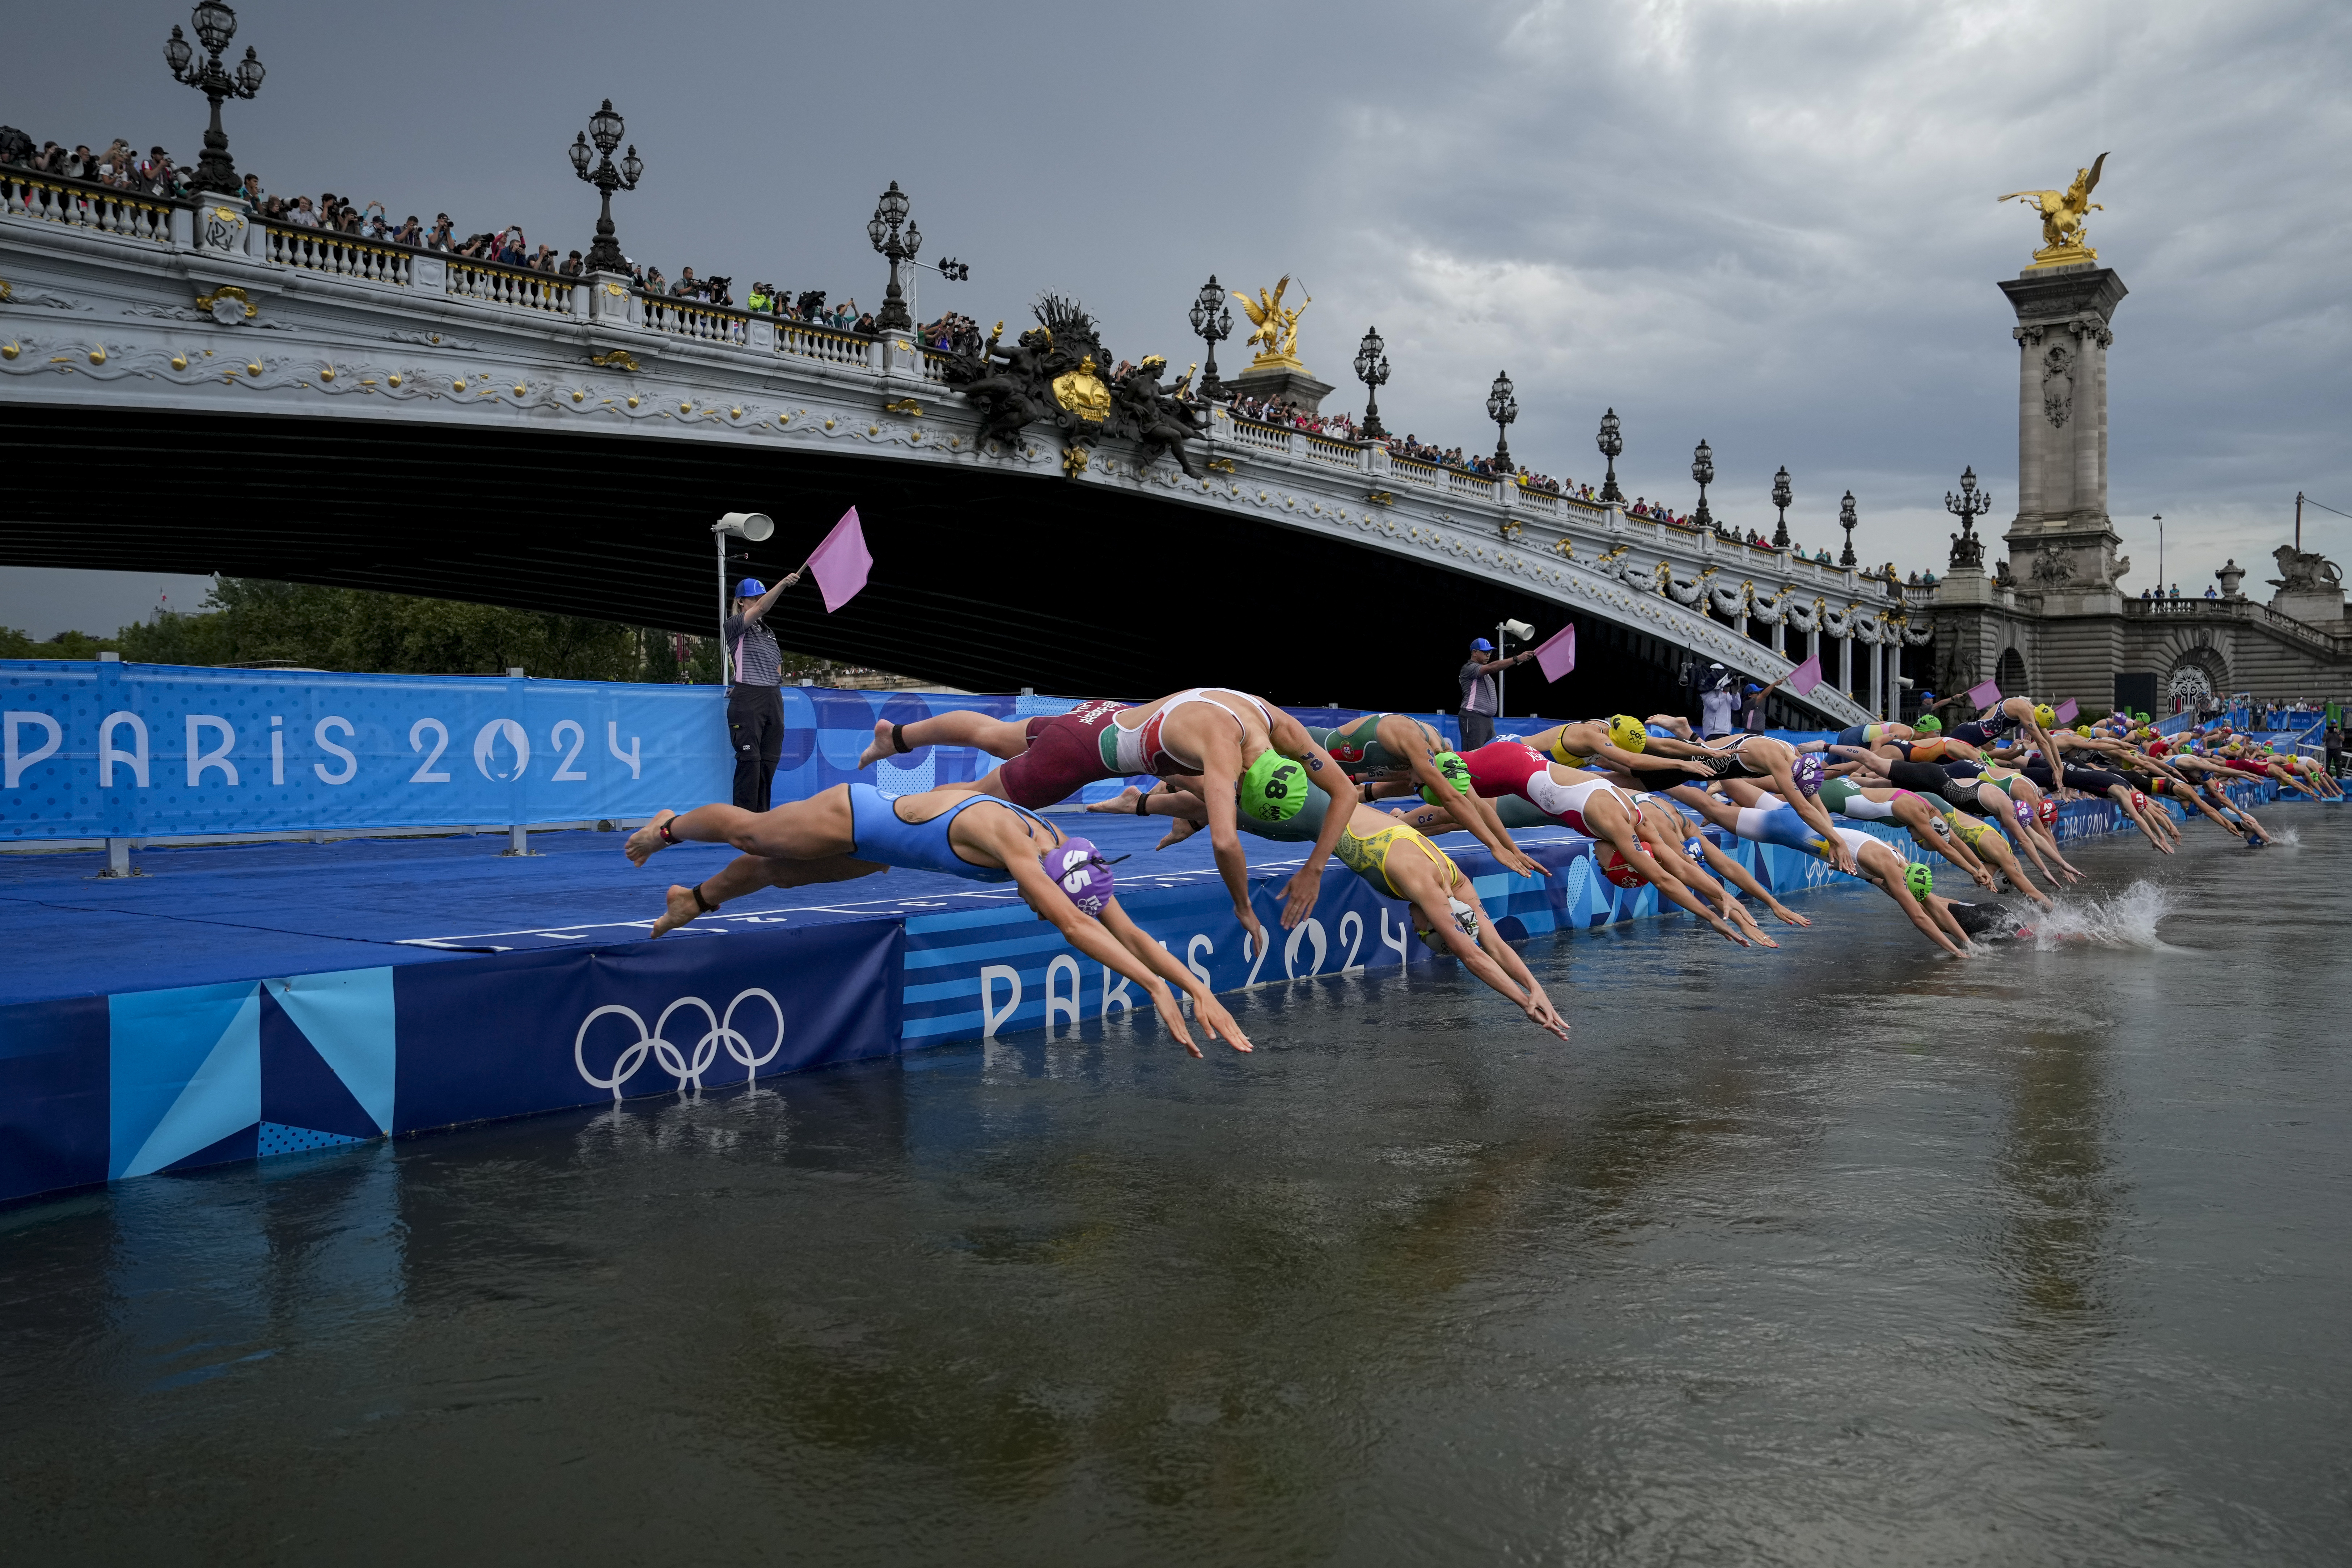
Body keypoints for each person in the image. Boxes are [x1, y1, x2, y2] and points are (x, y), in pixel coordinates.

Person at [623, 786, 1250, 1058]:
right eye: (1042, 899)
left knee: (779, 874)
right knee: (757, 834)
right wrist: (1153, 987)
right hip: (857, 815)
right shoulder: (1019, 845)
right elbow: (1076, 928)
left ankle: (695, 900)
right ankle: (669, 827)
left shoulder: (1069, 851)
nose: (1036, 906)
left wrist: (1196, 987)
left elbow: (1128, 931)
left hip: (885, 850)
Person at [856, 689, 1358, 955]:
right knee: (974, 801)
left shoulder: (1275, 722)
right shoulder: (1225, 757)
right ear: (1247, 776)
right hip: (1078, 758)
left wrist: (1315, 867)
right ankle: (890, 820)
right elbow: (1227, 843)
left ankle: (896, 736)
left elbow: (1343, 791)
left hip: (1094, 717)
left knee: (995, 734)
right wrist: (1244, 908)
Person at [723, 572, 801, 812]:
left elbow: (777, 666)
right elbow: (761, 610)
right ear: (740, 602)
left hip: (772, 697)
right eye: (754, 598)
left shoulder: (769, 633)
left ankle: (761, 821)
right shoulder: (734, 625)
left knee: (768, 763)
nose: (759, 602)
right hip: (749, 698)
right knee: (750, 762)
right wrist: (783, 584)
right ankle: (742, 822)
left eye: (761, 597)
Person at [1457, 638, 1531, 751]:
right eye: (1485, 652)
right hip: (1473, 717)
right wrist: (1517, 659)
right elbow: (1493, 667)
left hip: (1486, 720)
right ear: (1474, 653)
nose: (1488, 655)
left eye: (1490, 652)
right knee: (1473, 754)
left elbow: (1493, 668)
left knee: (1490, 753)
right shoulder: (1469, 668)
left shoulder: (1482, 673)